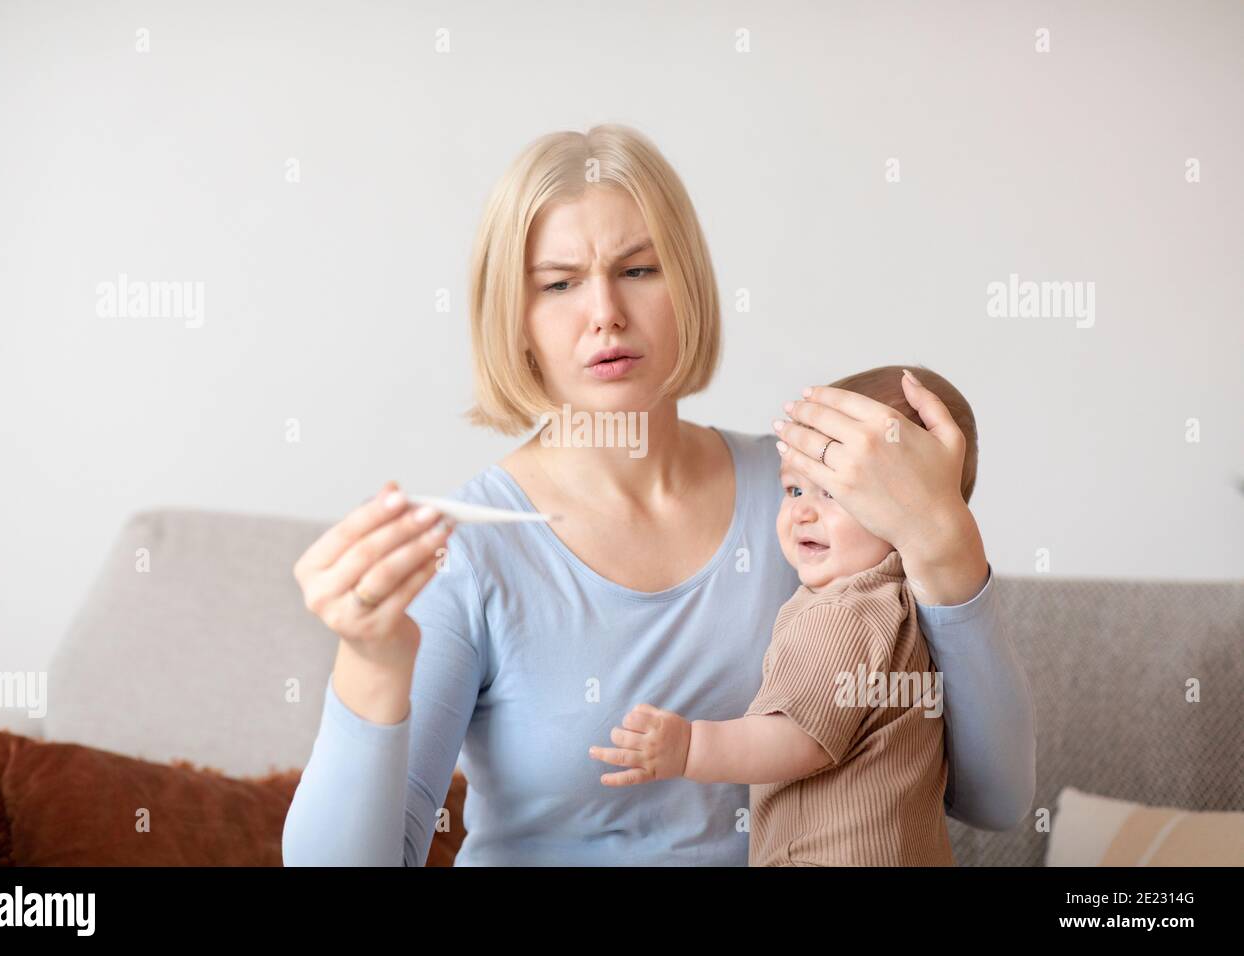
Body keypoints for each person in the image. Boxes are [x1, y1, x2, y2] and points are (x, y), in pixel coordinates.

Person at [282, 124, 1035, 866]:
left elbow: (994, 802)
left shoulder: (809, 511)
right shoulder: (471, 552)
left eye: (639, 270)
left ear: (691, 289)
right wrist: (371, 664)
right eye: (559, 283)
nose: (605, 311)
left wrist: (942, 540)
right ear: (516, 325)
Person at [590, 365, 977, 866]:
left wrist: (690, 747)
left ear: (908, 504)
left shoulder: (844, 615)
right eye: (794, 490)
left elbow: (797, 738)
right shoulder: (901, 605)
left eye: (833, 493)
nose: (803, 512)